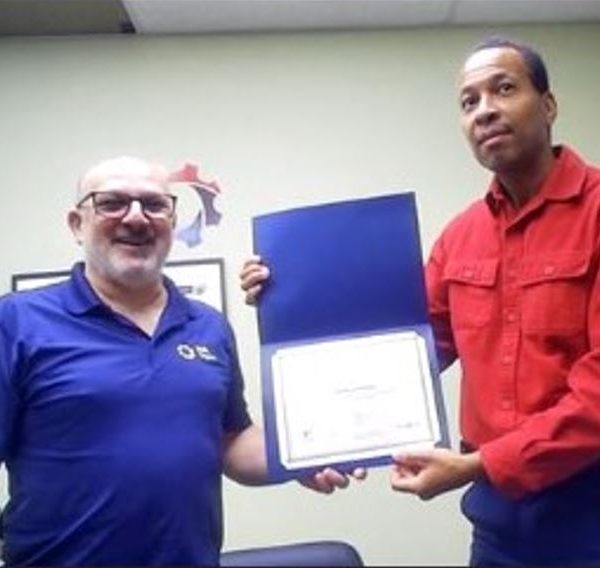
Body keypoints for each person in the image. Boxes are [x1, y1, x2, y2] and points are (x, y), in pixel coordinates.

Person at [240, 37, 600, 566]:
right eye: (468, 101)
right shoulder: (461, 236)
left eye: (504, 89)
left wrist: (477, 464)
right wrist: (290, 300)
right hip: (499, 524)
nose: (486, 111)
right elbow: (411, 345)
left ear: (547, 105)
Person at [0, 156, 355, 566]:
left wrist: (305, 451)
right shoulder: (17, 321)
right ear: (77, 224)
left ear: (172, 220)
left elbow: (231, 440)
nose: (136, 218)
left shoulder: (208, 325)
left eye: (154, 204)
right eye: (112, 202)